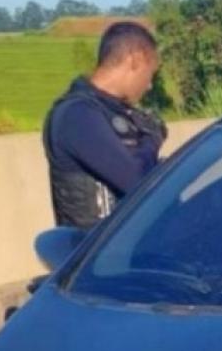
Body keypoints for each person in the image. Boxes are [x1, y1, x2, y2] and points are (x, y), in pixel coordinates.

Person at [43, 22, 166, 230]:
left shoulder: (112, 113)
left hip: (123, 253)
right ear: (135, 60)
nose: (149, 85)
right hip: (94, 255)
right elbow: (136, 181)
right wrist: (151, 139)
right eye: (150, 74)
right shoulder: (77, 115)